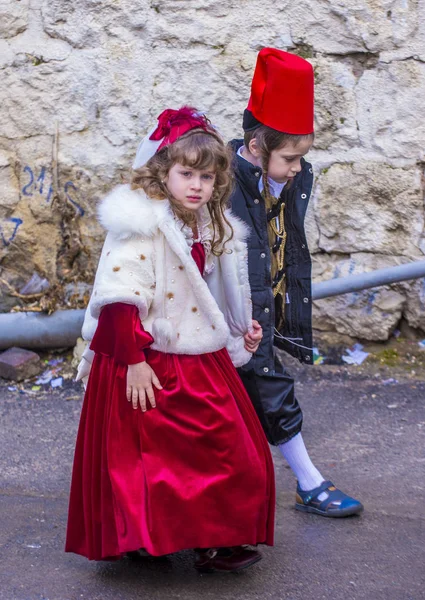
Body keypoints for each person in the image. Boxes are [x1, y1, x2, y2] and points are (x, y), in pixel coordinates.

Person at [65, 107, 275, 573]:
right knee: (149, 462)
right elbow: (121, 296)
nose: (196, 184)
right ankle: (145, 537)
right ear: (163, 171)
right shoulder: (142, 223)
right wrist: (134, 361)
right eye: (186, 173)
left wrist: (241, 328)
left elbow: (215, 287)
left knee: (229, 448)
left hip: (198, 352)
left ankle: (217, 538)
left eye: (206, 175)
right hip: (143, 355)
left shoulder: (208, 223)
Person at [229, 48, 363, 517]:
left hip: (255, 315)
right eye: (290, 158)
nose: (298, 169)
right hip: (228, 317)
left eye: (302, 158)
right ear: (255, 146)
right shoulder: (222, 184)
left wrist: (282, 183)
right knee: (264, 390)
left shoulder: (277, 180)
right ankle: (307, 484)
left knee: (259, 390)